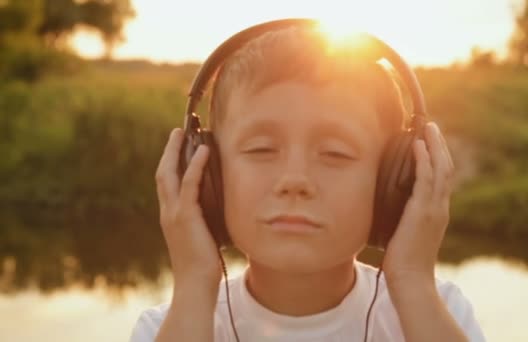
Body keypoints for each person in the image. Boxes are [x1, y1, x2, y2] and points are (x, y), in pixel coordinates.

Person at [130, 25, 486, 342]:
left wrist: (411, 279)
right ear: (208, 173)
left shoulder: (436, 312)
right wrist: (194, 282)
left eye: (335, 153)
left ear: (394, 183)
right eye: (261, 148)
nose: (294, 181)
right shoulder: (167, 327)